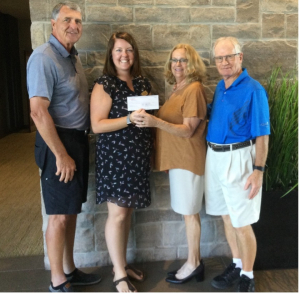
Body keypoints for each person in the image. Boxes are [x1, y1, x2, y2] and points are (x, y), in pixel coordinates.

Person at [27, 2, 101, 292]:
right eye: (68, 20)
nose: (74, 25)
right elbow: (37, 112)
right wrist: (61, 154)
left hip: (77, 140)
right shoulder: (43, 57)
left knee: (70, 211)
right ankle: (57, 280)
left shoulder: (71, 56)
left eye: (79, 21)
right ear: (53, 24)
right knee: (58, 214)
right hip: (57, 143)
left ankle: (69, 269)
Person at [132, 44, 207, 284]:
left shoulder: (193, 89)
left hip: (188, 160)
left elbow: (187, 131)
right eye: (174, 60)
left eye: (183, 60)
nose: (177, 65)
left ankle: (194, 263)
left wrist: (154, 121)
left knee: (189, 213)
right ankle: (194, 261)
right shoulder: (178, 89)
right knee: (187, 213)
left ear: (192, 64)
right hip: (178, 161)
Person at [205, 37, 270, 292]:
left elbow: (263, 136)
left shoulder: (254, 90)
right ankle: (236, 263)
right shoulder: (221, 86)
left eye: (229, 57)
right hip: (214, 157)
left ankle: (248, 275)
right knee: (226, 216)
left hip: (239, 158)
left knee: (242, 222)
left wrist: (258, 171)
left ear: (240, 57)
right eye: (219, 58)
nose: (224, 62)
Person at [90, 32, 153, 292]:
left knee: (126, 213)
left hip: (136, 158)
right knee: (117, 215)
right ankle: (118, 274)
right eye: (118, 50)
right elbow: (97, 125)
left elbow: (149, 118)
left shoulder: (141, 83)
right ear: (111, 54)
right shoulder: (105, 83)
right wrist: (128, 119)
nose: (124, 55)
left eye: (129, 50)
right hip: (115, 159)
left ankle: (122, 263)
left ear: (134, 54)